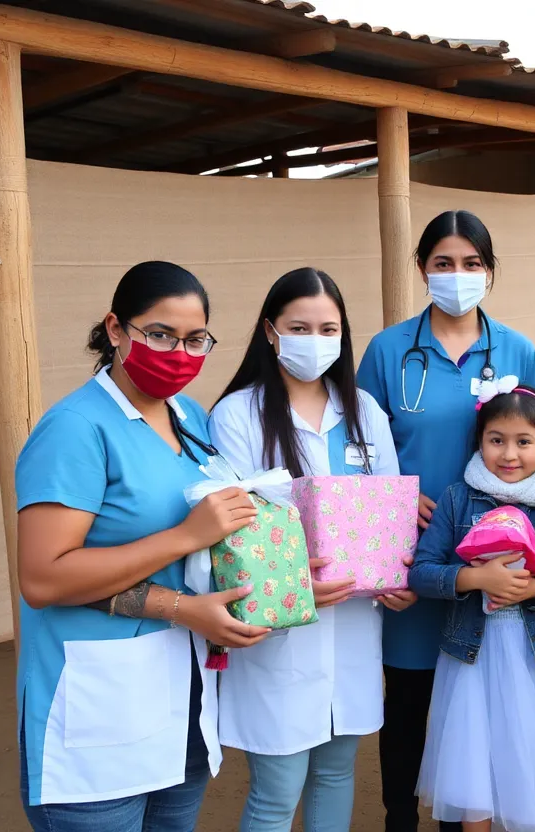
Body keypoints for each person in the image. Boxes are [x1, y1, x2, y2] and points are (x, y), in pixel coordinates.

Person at [14, 261, 267, 831]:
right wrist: (183, 540)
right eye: (160, 334)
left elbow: (220, 535)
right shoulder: (76, 429)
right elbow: (44, 578)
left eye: (195, 339)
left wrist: (290, 580)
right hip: (100, 708)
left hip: (184, 699)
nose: (179, 352)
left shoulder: (189, 416)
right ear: (115, 330)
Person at [207, 267, 415, 832]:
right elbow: (235, 530)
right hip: (281, 630)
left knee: (335, 774)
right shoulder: (237, 415)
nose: (316, 340)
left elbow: (389, 513)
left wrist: (397, 575)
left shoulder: (365, 411)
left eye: (329, 328)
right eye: (300, 327)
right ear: (271, 331)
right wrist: (299, 585)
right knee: (277, 791)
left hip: (352, 620)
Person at [357, 209, 535, 832]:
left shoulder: (517, 350)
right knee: (409, 701)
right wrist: (396, 493)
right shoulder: (388, 352)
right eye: (443, 263)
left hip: (495, 565)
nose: (457, 275)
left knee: (476, 706)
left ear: (489, 273)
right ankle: (399, 819)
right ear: (422, 269)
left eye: (471, 264)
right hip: (414, 554)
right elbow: (359, 448)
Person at [408, 382, 535, 832]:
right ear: (480, 441)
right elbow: (421, 572)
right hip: (470, 660)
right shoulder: (456, 498)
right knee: (474, 775)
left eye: (524, 441)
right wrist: (473, 578)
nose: (509, 454)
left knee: (527, 768)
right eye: (496, 440)